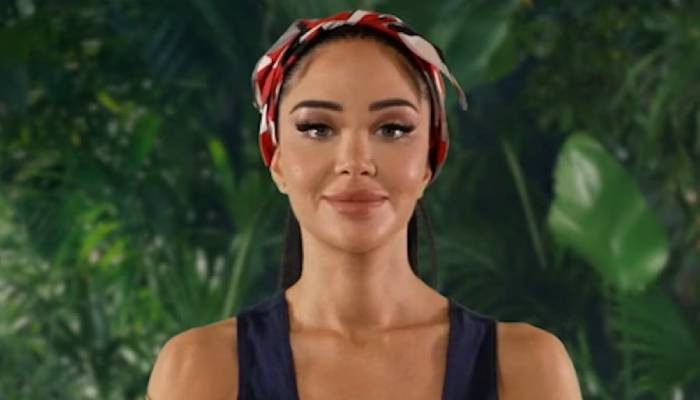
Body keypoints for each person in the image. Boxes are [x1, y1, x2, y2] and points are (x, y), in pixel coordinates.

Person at [147, 9, 582, 399]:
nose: (355, 162)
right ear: (276, 162)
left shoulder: (526, 370)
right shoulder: (200, 370)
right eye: (317, 128)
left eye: (392, 129)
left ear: (429, 161)